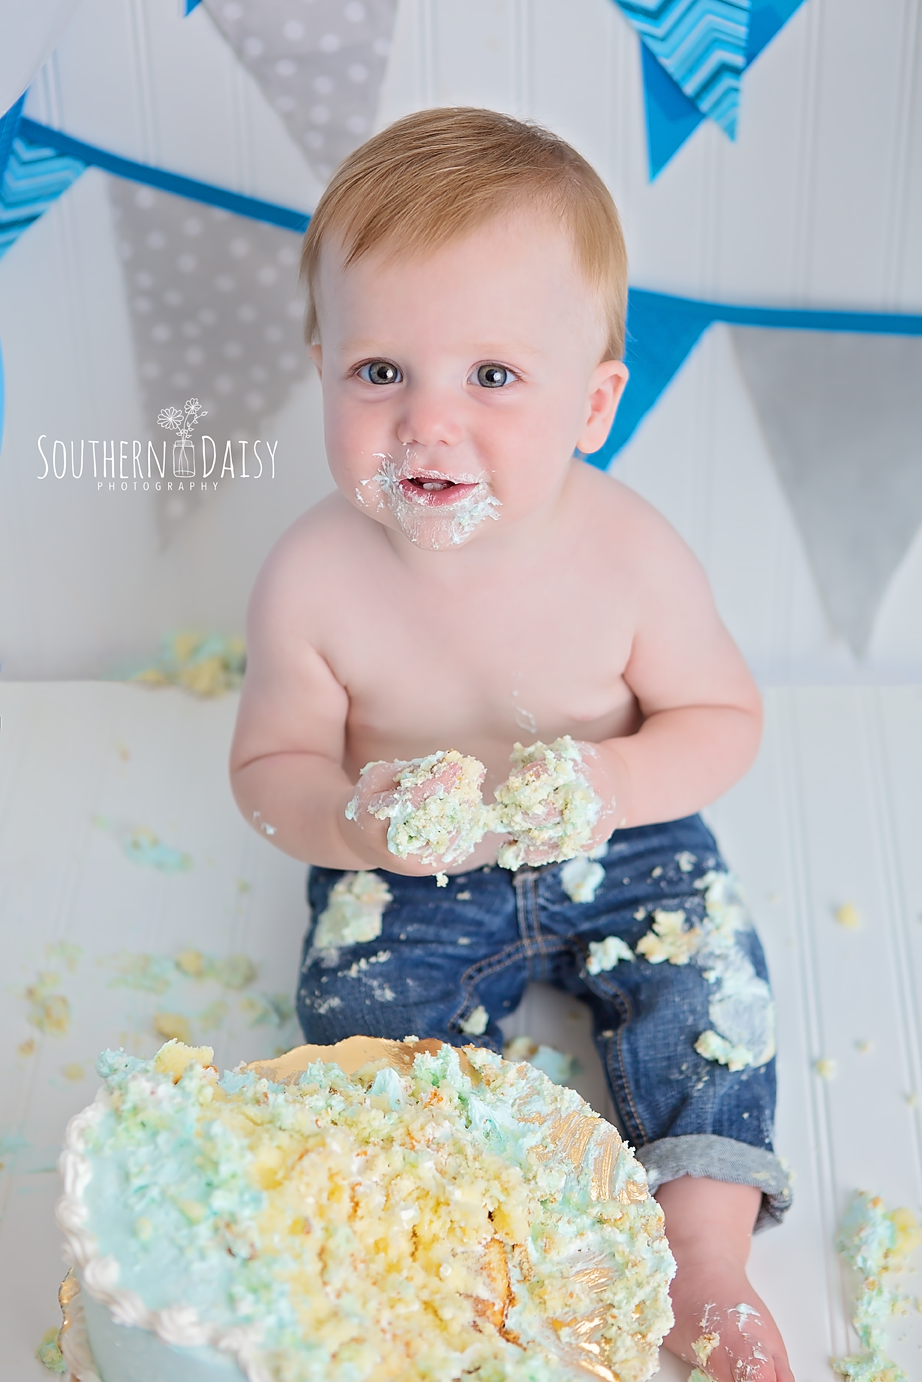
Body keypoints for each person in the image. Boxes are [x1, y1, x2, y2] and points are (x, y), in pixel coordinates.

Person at [230, 106, 794, 1382]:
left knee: (712, 993)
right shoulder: (311, 578)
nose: (430, 423)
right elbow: (271, 774)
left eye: (492, 376)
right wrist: (353, 820)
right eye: (381, 372)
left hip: (628, 840)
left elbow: (722, 718)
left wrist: (620, 779)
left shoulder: (630, 553)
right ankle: (460, 1231)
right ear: (322, 367)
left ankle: (702, 1244)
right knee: (357, 1015)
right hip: (413, 870)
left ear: (593, 401)